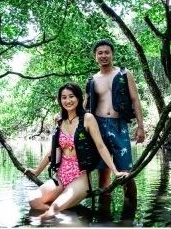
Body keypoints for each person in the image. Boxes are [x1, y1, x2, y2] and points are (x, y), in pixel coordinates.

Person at [24, 83, 128, 219]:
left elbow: (101, 146)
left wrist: (115, 171)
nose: (68, 101)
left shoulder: (88, 119)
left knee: (54, 209)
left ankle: (48, 219)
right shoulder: (61, 121)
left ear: (78, 98)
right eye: (64, 97)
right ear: (60, 100)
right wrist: (37, 171)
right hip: (61, 175)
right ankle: (71, 218)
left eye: (71, 96)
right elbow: (53, 152)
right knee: (34, 201)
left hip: (80, 175)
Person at [85, 39, 145, 202]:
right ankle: (105, 217)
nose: (104, 55)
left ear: (112, 54)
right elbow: (84, 106)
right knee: (103, 173)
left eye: (107, 52)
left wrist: (140, 126)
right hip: (98, 127)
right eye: (100, 53)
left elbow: (135, 99)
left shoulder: (124, 74)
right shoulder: (92, 80)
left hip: (119, 126)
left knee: (126, 173)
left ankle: (129, 214)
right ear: (95, 57)